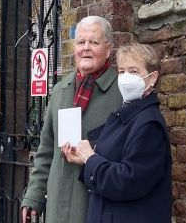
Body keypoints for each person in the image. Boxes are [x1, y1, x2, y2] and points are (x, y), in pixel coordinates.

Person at [22, 16, 124, 223]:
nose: (86, 48)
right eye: (81, 42)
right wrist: (34, 196)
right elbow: (46, 150)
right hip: (59, 204)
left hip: (98, 205)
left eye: (94, 42)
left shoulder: (121, 92)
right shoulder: (61, 90)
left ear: (108, 49)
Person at [61, 42, 171, 223]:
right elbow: (111, 161)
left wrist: (90, 158)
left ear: (152, 78)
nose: (126, 78)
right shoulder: (125, 115)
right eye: (121, 71)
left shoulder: (149, 125)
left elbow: (128, 181)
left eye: (133, 71)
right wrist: (84, 159)